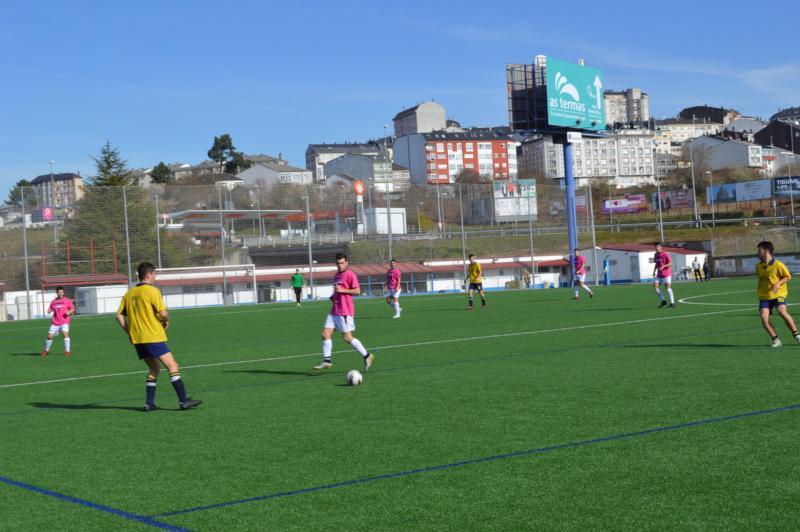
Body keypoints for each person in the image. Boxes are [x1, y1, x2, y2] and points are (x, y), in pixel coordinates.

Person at [116, 262, 202, 412]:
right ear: (148, 274)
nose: (155, 277)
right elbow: (162, 313)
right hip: (152, 336)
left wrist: (129, 332)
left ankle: (149, 403)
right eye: (154, 274)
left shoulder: (129, 293)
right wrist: (166, 320)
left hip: (138, 339)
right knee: (172, 366)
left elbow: (119, 316)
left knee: (154, 368)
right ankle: (183, 401)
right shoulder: (152, 291)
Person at [313, 253, 374, 370]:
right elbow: (339, 290)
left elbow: (357, 291)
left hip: (344, 311)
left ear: (346, 263)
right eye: (338, 263)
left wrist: (342, 290)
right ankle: (327, 361)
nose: (340, 265)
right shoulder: (336, 275)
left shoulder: (350, 274)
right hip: (334, 310)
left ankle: (367, 356)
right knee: (325, 334)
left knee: (347, 338)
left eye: (342, 263)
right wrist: (334, 295)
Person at [755, 241, 800, 348]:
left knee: (782, 311)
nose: (757, 253)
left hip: (778, 294)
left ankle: (797, 335)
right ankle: (776, 339)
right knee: (763, 317)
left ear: (766, 251)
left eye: (759, 251)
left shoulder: (778, 264)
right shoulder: (758, 266)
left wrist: (778, 284)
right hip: (764, 296)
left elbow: (787, 276)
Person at [41, 286, 75, 356]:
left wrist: (69, 312)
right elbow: (50, 309)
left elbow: (72, 309)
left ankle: (67, 351)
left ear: (63, 292)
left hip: (64, 321)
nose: (61, 293)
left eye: (62, 292)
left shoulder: (67, 300)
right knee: (49, 336)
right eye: (59, 292)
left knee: (64, 334)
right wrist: (49, 311)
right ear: (57, 292)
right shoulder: (53, 302)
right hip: (55, 322)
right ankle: (46, 351)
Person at [653, 243, 676, 308]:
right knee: (655, 288)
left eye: (657, 247)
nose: (656, 248)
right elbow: (657, 264)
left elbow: (670, 263)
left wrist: (663, 266)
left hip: (666, 275)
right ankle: (663, 301)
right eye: (655, 247)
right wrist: (654, 271)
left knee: (668, 288)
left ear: (661, 247)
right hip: (659, 275)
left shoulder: (665, 254)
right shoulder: (656, 254)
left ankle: (672, 303)